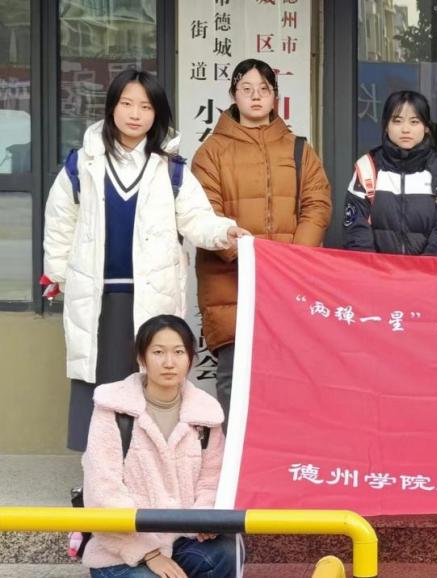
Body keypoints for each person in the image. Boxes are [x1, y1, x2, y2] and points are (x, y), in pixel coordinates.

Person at [43, 68, 247, 452]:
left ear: (157, 114)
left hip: (152, 294)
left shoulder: (171, 170)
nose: (135, 114)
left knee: (150, 379)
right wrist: (58, 273)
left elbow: (197, 219)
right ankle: (99, 468)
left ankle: (145, 464)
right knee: (98, 381)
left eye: (145, 106)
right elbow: (59, 222)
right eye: (127, 104)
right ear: (112, 107)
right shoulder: (82, 164)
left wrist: (225, 232)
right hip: (98, 296)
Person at [191, 58, 332, 423]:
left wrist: (291, 260)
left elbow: (317, 203)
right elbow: (204, 213)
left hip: (287, 284)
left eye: (264, 89)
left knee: (287, 377)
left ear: (275, 97)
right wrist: (247, 255)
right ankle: (233, 456)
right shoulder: (211, 152)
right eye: (246, 89)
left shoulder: (299, 149)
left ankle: (281, 452)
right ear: (233, 95)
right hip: (231, 283)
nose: (255, 96)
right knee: (234, 377)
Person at [82, 315, 236, 577]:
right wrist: (150, 553)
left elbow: (212, 481)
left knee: (223, 555)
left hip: (182, 539)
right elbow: (103, 490)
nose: (169, 362)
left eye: (178, 352)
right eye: (158, 352)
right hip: (122, 548)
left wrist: (205, 520)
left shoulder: (206, 414)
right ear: (141, 358)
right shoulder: (113, 408)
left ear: (191, 358)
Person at [343, 90, 437, 255]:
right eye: (397, 121)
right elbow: (356, 229)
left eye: (414, 122)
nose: (405, 129)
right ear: (386, 126)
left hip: (429, 269)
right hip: (376, 269)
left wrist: (426, 266)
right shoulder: (367, 167)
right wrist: (372, 267)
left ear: (426, 127)